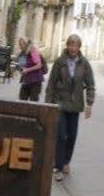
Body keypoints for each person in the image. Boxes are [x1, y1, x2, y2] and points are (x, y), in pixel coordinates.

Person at [45, 34, 95, 181]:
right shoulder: (60, 62)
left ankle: (66, 161)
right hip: (60, 104)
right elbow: (51, 84)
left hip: (75, 105)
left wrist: (89, 104)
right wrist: (49, 104)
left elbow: (91, 85)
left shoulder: (84, 64)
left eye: (76, 45)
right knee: (61, 136)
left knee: (72, 136)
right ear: (67, 46)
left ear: (79, 47)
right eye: (71, 45)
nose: (73, 48)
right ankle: (58, 167)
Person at [17, 36, 44, 102]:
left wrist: (27, 70)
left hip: (35, 80)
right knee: (22, 100)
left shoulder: (33, 51)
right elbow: (22, 66)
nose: (20, 46)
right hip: (26, 80)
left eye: (21, 44)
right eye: (19, 44)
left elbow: (39, 65)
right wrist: (19, 68)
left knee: (33, 102)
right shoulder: (22, 54)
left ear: (26, 44)